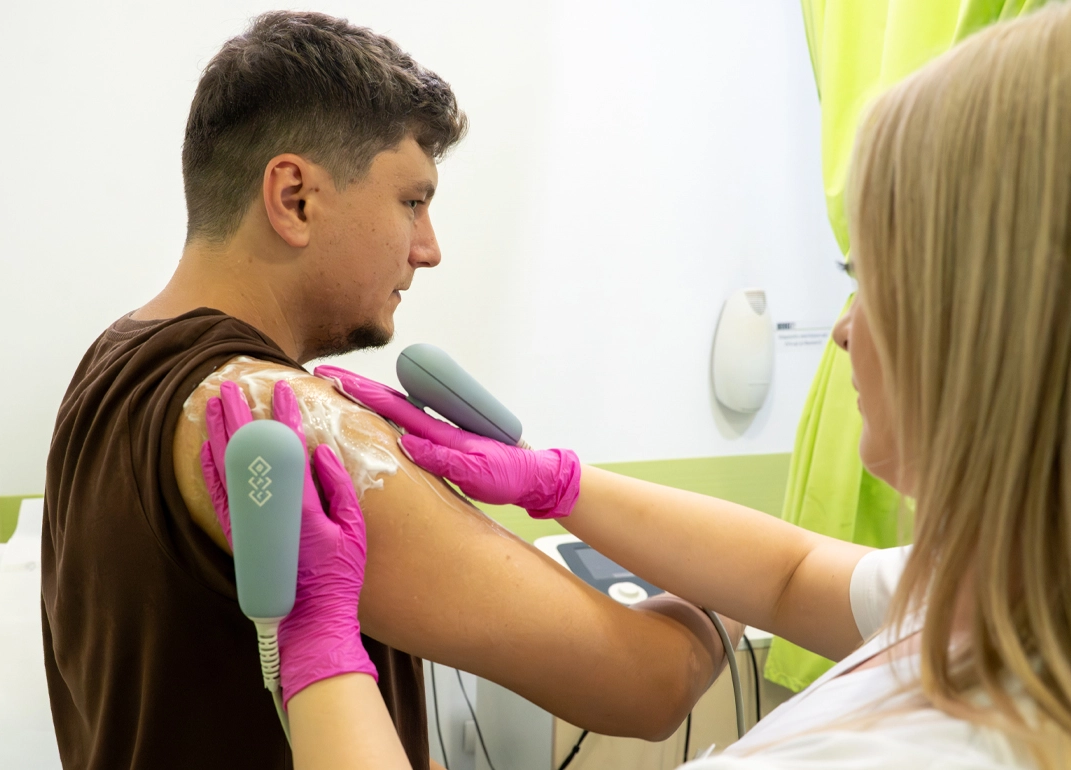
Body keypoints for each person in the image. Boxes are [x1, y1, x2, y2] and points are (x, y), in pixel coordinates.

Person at [201, 4, 1071, 769]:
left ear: (991, 328)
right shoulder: (1003, 598)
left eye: (867, 278)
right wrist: (554, 482)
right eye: (412, 203)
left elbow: (647, 685)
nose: (842, 329)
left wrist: (313, 642)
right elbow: (790, 577)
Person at [43, 10, 740, 770]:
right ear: (294, 198)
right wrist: (740, 589)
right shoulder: (284, 426)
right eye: (412, 201)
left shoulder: (110, 363)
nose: (428, 249)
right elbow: (650, 684)